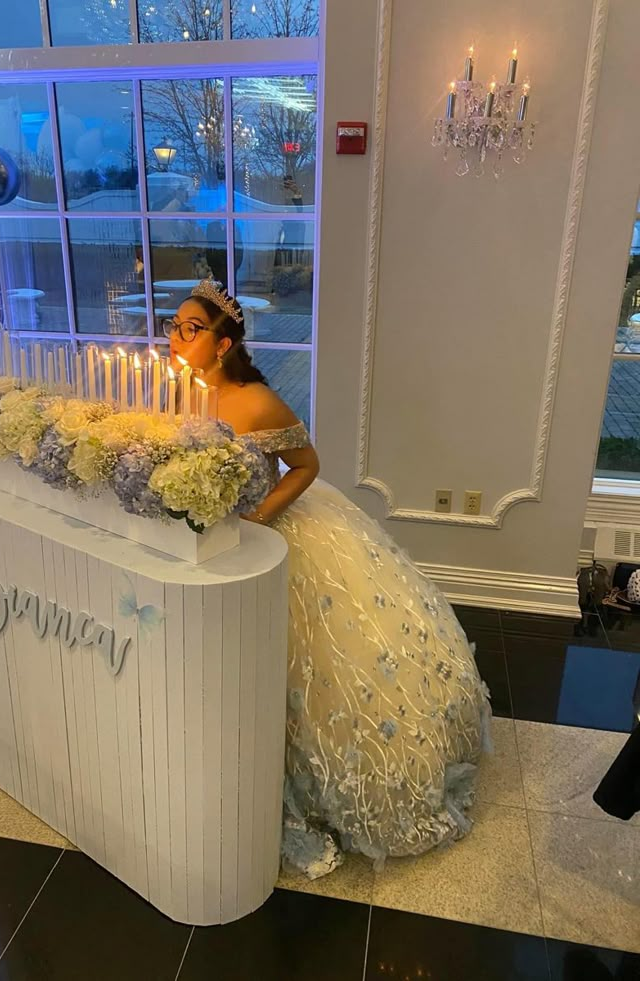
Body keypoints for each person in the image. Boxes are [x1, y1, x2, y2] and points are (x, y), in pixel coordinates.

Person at [164, 279, 492, 879]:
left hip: (275, 532)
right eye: (173, 324)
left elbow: (307, 466)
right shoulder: (177, 395)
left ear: (224, 341)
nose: (175, 336)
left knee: (315, 659)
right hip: (206, 541)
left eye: (191, 327)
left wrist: (260, 516)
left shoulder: (255, 402)